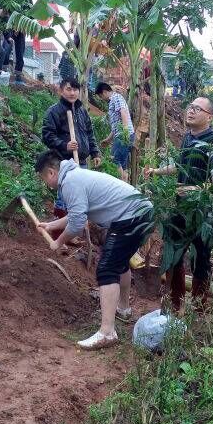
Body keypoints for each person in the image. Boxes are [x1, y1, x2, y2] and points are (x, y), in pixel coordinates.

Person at [35, 151, 153, 350]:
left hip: (131, 216)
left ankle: (107, 333)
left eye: (43, 178)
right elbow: (78, 213)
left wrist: (59, 242)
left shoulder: (70, 182)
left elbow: (77, 224)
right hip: (141, 212)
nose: (46, 183)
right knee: (119, 262)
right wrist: (52, 225)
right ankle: (123, 309)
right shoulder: (75, 176)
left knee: (107, 269)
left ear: (51, 172)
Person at [145, 96, 213, 311]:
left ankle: (199, 307)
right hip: (181, 209)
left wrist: (197, 190)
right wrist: (156, 171)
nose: (191, 111)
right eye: (190, 106)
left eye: (197, 108)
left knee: (201, 259)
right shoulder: (187, 138)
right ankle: (176, 305)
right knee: (173, 254)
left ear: (209, 117)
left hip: (204, 213)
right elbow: (179, 165)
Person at [42, 77, 101, 217]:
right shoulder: (54, 112)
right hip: (64, 162)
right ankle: (60, 225)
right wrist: (65, 145)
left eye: (75, 90)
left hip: (81, 161)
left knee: (80, 195)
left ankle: (76, 225)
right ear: (61, 90)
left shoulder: (82, 111)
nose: (72, 93)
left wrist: (95, 153)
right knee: (65, 196)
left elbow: (89, 133)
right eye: (69, 89)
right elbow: (47, 136)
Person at [94, 82, 135, 182]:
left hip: (123, 135)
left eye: (100, 96)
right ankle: (124, 185)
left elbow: (123, 112)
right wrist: (108, 139)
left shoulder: (116, 98)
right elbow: (116, 126)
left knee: (114, 159)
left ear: (104, 92)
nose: (101, 99)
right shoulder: (114, 100)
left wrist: (125, 132)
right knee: (122, 163)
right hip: (123, 134)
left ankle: (120, 185)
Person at [12, 0, 32, 84]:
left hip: (22, 29)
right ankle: (2, 71)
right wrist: (14, 26)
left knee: (20, 53)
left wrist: (22, 27)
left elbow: (31, 15)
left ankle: (18, 76)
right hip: (10, 28)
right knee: (6, 48)